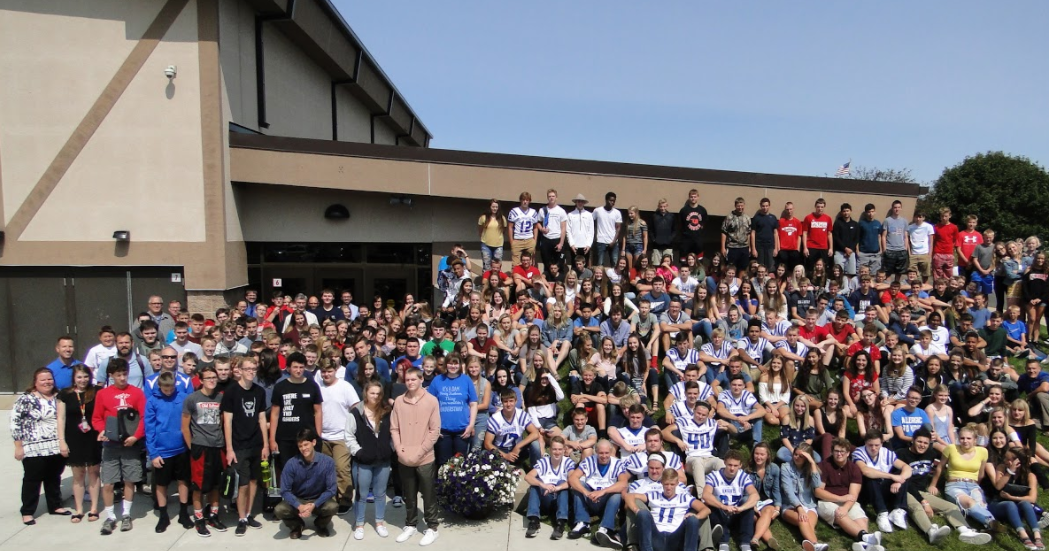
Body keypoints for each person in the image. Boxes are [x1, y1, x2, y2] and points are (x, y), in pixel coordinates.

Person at [897, 428, 992, 545]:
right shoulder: (901, 454)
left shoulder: (930, 454)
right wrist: (924, 502)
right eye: (919, 442)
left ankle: (965, 530)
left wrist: (932, 487)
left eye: (926, 443)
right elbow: (905, 481)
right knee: (917, 507)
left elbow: (942, 462)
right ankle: (931, 532)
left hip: (921, 491)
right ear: (913, 440)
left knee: (951, 507)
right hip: (904, 490)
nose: (922, 445)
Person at [91, 358, 147, 535]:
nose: (122, 378)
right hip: (111, 445)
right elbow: (97, 418)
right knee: (108, 482)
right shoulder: (103, 394)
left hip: (130, 444)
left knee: (129, 479)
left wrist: (136, 436)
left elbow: (144, 417)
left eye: (124, 374)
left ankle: (126, 514)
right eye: (118, 375)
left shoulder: (137, 393)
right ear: (111, 375)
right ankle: (110, 517)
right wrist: (102, 431)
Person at [12, 368, 70, 525]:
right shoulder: (25, 399)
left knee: (54, 477)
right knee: (32, 479)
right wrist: (18, 446)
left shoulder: (58, 398)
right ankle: (28, 511)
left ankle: (55, 505)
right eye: (43, 380)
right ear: (35, 382)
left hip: (55, 445)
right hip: (32, 446)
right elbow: (16, 424)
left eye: (50, 379)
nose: (47, 382)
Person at [392, 367, 442, 546]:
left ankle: (432, 527)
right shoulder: (399, 401)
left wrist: (421, 451)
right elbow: (394, 428)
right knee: (409, 494)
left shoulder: (431, 401)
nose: (410, 382)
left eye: (414, 379)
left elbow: (434, 430)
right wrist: (399, 449)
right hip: (404, 456)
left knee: (428, 494)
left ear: (421, 380)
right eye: (407, 380)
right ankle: (411, 524)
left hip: (425, 457)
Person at [220, 355, 269, 535]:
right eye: (247, 369)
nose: (251, 372)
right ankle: (241, 517)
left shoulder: (259, 391)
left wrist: (265, 445)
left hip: (256, 443)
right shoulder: (232, 392)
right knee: (243, 484)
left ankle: (248, 514)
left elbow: (262, 418)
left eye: (253, 369)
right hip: (239, 445)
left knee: (255, 481)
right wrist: (229, 448)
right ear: (239, 370)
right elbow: (227, 422)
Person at [813, 438, 884, 551]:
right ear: (832, 451)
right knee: (840, 514)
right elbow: (818, 492)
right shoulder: (824, 466)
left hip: (848, 500)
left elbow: (853, 494)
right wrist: (840, 499)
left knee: (862, 519)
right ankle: (866, 539)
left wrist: (845, 507)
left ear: (848, 453)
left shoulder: (854, 468)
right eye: (836, 451)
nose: (839, 454)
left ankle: (864, 545)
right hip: (826, 501)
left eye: (842, 451)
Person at [181, 365, 227, 537]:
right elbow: (185, 427)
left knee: (215, 484)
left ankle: (213, 515)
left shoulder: (220, 398)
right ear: (200, 380)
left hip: (218, 446)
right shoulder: (192, 399)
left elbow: (222, 422)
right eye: (208, 378)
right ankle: (199, 519)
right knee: (198, 486)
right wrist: (192, 447)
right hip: (200, 447)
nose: (212, 381)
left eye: (214, 378)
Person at [145, 371, 193, 532]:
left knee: (183, 481)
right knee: (161, 484)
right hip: (162, 450)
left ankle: (184, 512)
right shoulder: (152, 401)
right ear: (159, 386)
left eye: (171, 387)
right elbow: (149, 428)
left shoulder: (183, 398)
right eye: (165, 388)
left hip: (182, 448)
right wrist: (153, 453)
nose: (168, 391)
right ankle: (164, 515)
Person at [346, 380, 394, 540]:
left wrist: (390, 448)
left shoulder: (387, 411)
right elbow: (349, 436)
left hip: (383, 461)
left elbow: (394, 432)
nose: (375, 396)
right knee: (361, 494)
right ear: (366, 393)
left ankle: (379, 522)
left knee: (380, 494)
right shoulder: (356, 413)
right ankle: (359, 524)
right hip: (363, 462)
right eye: (372, 393)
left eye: (378, 393)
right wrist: (358, 452)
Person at [57, 365, 103, 524]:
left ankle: (94, 508)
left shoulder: (96, 392)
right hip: (73, 437)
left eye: (85, 376)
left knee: (94, 472)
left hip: (93, 436)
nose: (83, 380)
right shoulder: (65, 394)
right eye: (79, 377)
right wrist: (61, 441)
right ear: (74, 378)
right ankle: (78, 509)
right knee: (78, 475)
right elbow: (61, 419)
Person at [275, 427, 338, 539]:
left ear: (313, 442)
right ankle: (297, 526)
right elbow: (284, 490)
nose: (303, 448)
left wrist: (315, 504)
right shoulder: (291, 464)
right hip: (298, 498)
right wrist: (299, 506)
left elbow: (331, 489)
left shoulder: (327, 462)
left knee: (332, 506)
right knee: (279, 509)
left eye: (306, 444)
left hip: (318, 498)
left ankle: (320, 524)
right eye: (300, 446)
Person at [568, 439, 631, 548]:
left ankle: (605, 528)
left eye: (607, 453)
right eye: (601, 453)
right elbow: (573, 478)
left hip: (605, 499)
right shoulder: (588, 461)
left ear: (611, 452)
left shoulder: (618, 463)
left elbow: (623, 483)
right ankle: (582, 523)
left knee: (617, 493)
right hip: (590, 496)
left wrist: (603, 491)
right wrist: (586, 492)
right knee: (577, 487)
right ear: (596, 452)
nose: (604, 456)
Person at [627, 469, 708, 551]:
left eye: (672, 484)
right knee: (643, 514)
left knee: (692, 520)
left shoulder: (684, 497)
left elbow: (705, 509)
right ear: (661, 483)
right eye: (666, 484)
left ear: (677, 484)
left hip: (676, 537)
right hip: (656, 536)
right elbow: (629, 496)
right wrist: (636, 510)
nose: (669, 487)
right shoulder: (654, 495)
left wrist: (696, 516)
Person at [316, 362, 359, 514]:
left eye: (329, 371)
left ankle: (345, 499)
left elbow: (356, 407)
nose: (326, 374)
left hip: (341, 435)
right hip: (323, 435)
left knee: (341, 468)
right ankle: (330, 498)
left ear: (335, 370)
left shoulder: (345, 387)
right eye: (323, 371)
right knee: (326, 470)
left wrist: (354, 430)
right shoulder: (317, 386)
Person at [851, 431, 911, 533]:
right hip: (866, 490)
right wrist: (892, 476)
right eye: (870, 445)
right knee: (870, 477)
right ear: (865, 443)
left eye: (877, 445)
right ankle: (881, 513)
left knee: (902, 474)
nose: (873, 448)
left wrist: (899, 480)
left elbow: (907, 467)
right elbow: (866, 471)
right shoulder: (858, 452)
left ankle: (898, 510)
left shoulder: (886, 452)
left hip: (883, 487)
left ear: (881, 444)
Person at [941, 426, 997, 531]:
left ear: (975, 440)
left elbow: (981, 474)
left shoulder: (983, 451)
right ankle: (990, 522)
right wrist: (932, 485)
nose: (965, 441)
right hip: (954, 485)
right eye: (962, 438)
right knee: (969, 503)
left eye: (968, 438)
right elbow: (940, 467)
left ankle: (983, 527)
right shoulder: (951, 448)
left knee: (981, 505)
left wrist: (976, 485)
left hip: (973, 485)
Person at [663, 401, 736, 481]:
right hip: (692, 457)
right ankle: (701, 493)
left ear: (708, 415)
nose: (700, 416)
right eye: (698, 413)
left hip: (708, 456)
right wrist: (677, 440)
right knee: (698, 464)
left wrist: (728, 425)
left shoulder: (712, 423)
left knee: (721, 464)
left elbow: (734, 431)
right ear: (694, 411)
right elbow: (664, 432)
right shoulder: (684, 421)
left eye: (704, 415)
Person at [987, 447, 1043, 550]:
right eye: (1005, 459)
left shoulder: (1030, 475)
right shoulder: (1002, 468)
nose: (1006, 461)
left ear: (1018, 462)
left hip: (1017, 506)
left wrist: (1011, 497)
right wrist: (1010, 472)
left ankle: (1037, 536)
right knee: (1010, 504)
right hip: (998, 504)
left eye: (1009, 459)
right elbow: (998, 486)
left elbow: (1032, 499)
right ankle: (1023, 536)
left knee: (1025, 504)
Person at [702, 449, 758, 551]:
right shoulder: (714, 476)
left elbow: (755, 495)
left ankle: (745, 543)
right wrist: (723, 506)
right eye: (729, 465)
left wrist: (742, 508)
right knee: (715, 499)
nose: (732, 468)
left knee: (747, 500)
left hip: (737, 514)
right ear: (724, 462)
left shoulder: (743, 476)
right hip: (721, 512)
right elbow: (705, 495)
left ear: (740, 465)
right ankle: (723, 542)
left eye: (735, 466)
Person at [428, 354, 478, 466]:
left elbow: (473, 404)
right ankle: (442, 483)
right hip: (443, 430)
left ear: (460, 365)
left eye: (456, 363)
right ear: (446, 364)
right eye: (450, 363)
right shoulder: (437, 380)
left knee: (460, 463)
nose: (453, 366)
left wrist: (471, 425)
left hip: (462, 430)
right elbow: (429, 404)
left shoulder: (466, 380)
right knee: (443, 463)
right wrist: (433, 426)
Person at [780, 443, 832, 551]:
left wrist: (813, 464)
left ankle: (810, 547)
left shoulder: (811, 468)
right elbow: (788, 491)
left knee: (809, 524)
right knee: (803, 520)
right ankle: (815, 544)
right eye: (795, 454)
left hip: (809, 504)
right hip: (790, 505)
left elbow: (817, 486)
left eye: (801, 456)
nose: (797, 457)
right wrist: (799, 508)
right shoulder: (786, 467)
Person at [524, 436, 575, 539]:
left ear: (564, 449)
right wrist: (543, 485)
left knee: (562, 483)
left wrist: (558, 488)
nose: (557, 452)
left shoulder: (568, 462)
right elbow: (528, 477)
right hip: (546, 498)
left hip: (561, 499)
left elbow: (573, 480)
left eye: (560, 449)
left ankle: (560, 523)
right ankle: (534, 521)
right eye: (554, 449)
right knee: (536, 484)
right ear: (550, 449)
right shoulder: (543, 462)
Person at [484, 388, 541, 466]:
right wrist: (505, 455)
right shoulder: (495, 419)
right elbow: (487, 443)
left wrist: (518, 446)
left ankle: (536, 470)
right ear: (502, 402)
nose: (508, 404)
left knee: (535, 444)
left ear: (516, 401)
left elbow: (535, 433)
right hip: (501, 450)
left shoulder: (521, 415)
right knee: (484, 454)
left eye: (511, 401)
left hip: (518, 449)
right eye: (505, 401)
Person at [508, 191, 539, 267]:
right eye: (523, 200)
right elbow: (510, 227)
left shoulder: (533, 212)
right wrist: (512, 241)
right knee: (516, 265)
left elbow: (535, 227)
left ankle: (529, 278)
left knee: (530, 263)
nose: (525, 202)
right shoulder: (514, 211)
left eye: (527, 200)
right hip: (518, 239)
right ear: (520, 200)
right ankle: (516, 278)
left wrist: (534, 240)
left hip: (529, 239)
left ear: (529, 201)